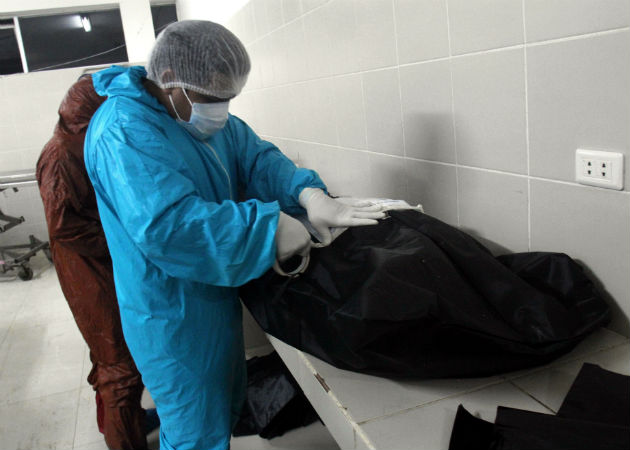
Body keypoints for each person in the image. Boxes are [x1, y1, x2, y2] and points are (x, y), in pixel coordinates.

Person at [83, 20, 384, 450]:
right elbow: (168, 227)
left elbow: (255, 158)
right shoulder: (124, 131)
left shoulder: (193, 117)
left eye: (228, 98)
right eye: (211, 98)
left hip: (211, 296)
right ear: (170, 81)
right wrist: (270, 227)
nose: (220, 110)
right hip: (171, 313)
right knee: (195, 435)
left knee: (219, 411)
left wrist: (308, 192)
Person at [36, 75, 159, 450]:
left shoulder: (82, 144)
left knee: (109, 355)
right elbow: (66, 228)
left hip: (96, 266)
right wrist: (125, 240)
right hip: (87, 272)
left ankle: (125, 422)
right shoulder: (61, 155)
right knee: (119, 367)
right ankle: (125, 439)